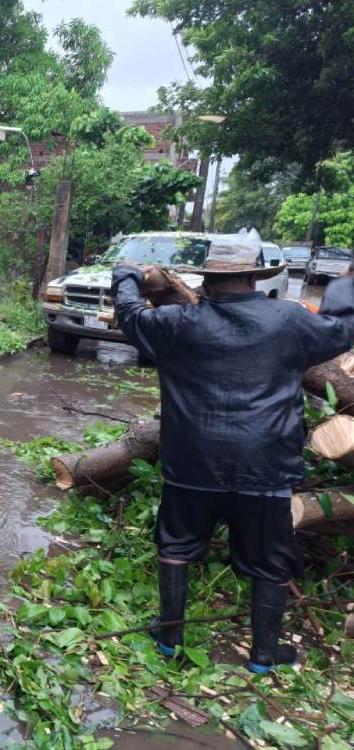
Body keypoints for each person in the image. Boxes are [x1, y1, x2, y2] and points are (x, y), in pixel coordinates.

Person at [110, 230, 354, 673]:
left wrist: (124, 277)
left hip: (191, 464)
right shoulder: (289, 320)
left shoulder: (179, 324)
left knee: (177, 545)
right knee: (270, 560)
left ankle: (170, 639)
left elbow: (131, 317)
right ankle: (263, 655)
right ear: (253, 278)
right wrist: (344, 285)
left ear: (208, 280)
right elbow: (343, 331)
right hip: (266, 466)